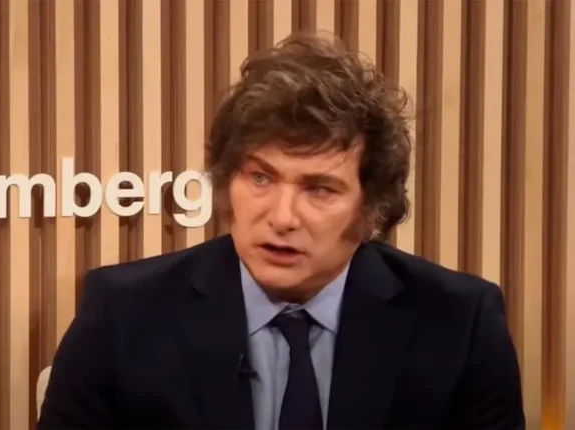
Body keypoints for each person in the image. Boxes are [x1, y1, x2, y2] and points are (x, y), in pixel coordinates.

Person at [37, 31, 525, 430]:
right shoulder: (123, 315)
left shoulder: (458, 325)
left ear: (371, 210)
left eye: (320, 189)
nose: (282, 216)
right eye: (260, 177)